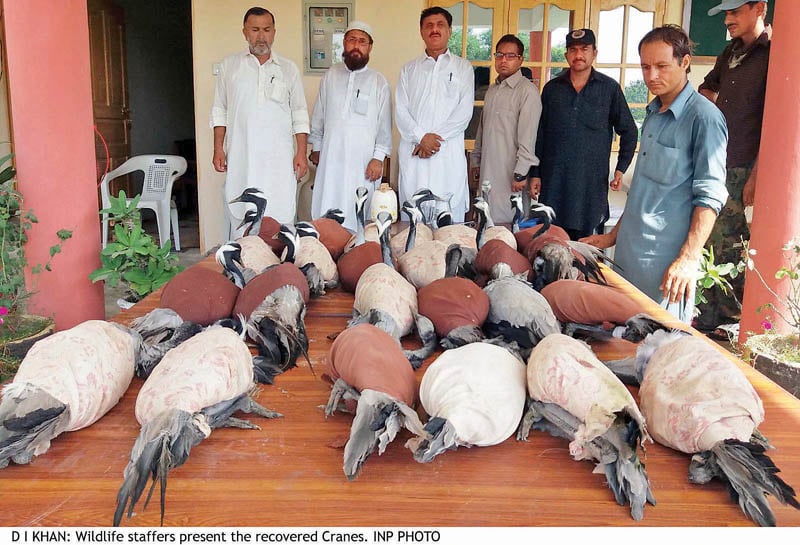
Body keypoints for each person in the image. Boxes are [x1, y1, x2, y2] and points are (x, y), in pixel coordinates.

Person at [581, 25, 728, 323]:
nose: (651, 76)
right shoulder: (653, 114)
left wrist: (688, 259)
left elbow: (710, 198)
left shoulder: (704, 118)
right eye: (645, 67)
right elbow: (643, 190)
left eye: (661, 66)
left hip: (665, 268)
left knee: (660, 350)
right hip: (628, 257)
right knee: (623, 342)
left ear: (684, 62)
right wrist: (612, 237)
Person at [694, 0, 771, 333]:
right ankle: (709, 320)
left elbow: (777, 124)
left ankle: (732, 321)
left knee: (738, 248)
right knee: (712, 241)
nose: (727, 19)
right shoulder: (730, 53)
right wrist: (717, 117)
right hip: (719, 162)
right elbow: (706, 87)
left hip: (746, 166)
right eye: (725, 13)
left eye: (735, 11)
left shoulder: (775, 54)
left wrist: (757, 174)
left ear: (759, 9)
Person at [210, 6, 309, 237]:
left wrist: (301, 152)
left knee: (280, 209)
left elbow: (300, 113)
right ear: (245, 32)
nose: (261, 36)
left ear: (274, 32)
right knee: (241, 206)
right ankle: (241, 260)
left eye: (266, 29)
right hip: (242, 154)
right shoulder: (230, 66)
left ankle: (279, 265)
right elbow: (219, 110)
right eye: (255, 30)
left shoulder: (288, 69)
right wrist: (218, 148)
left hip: (279, 157)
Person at [531, 28, 638, 240]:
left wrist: (620, 169)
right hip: (555, 184)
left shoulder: (609, 89)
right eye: (573, 50)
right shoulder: (552, 89)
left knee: (587, 250)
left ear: (594, 53)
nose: (578, 55)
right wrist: (535, 172)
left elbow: (629, 130)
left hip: (590, 188)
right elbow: (540, 133)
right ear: (566, 55)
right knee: (550, 244)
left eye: (584, 49)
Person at [308, 21, 392, 233]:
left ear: (370, 47)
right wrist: (316, 147)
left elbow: (384, 126)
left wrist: (378, 158)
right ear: (344, 43)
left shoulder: (378, 82)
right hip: (331, 160)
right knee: (327, 212)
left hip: (363, 163)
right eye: (352, 40)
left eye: (362, 41)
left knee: (360, 216)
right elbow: (319, 115)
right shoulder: (330, 76)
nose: (356, 45)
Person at [395, 6, 475, 223]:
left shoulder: (463, 68)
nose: (434, 30)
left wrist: (432, 139)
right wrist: (421, 137)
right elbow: (401, 111)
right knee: (414, 223)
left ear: (449, 31)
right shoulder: (408, 69)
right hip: (416, 152)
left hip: (446, 153)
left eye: (440, 25)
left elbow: (464, 112)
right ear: (421, 32)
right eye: (429, 25)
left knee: (447, 222)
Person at [469, 34, 541, 225]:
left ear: (520, 59)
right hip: (487, 172)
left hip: (511, 177)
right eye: (499, 55)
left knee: (509, 229)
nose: (503, 60)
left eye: (510, 56)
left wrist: (521, 173)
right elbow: (482, 131)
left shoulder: (527, 92)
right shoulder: (492, 90)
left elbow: (529, 136)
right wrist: (475, 161)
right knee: (485, 222)